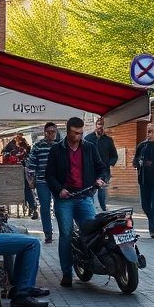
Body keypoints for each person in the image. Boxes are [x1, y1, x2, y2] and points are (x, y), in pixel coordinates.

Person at [45, 116, 106, 287]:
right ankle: (66, 273)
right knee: (66, 234)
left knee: (90, 232)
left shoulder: (89, 148)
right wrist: (59, 190)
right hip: (65, 198)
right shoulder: (57, 149)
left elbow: (100, 168)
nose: (78, 136)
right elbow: (48, 175)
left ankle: (86, 263)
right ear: (68, 130)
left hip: (85, 196)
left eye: (81, 133)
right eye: (75, 133)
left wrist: (100, 179)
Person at [26, 123, 60, 242]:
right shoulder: (38, 146)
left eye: (53, 132)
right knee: (45, 207)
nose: (51, 134)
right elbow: (31, 164)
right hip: (42, 181)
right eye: (49, 132)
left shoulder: (60, 146)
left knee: (59, 206)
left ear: (56, 133)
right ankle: (48, 233)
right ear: (44, 132)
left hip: (57, 182)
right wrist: (32, 178)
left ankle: (63, 230)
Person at [83, 117, 119, 212]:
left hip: (104, 170)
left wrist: (108, 164)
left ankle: (103, 209)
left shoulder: (108, 140)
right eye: (99, 124)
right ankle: (89, 208)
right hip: (91, 170)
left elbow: (114, 155)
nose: (101, 127)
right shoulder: (88, 139)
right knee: (90, 189)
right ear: (96, 125)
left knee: (102, 191)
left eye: (103, 125)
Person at [2, 133, 37, 218]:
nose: (18, 138)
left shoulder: (25, 146)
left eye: (20, 136)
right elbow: (3, 153)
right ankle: (31, 207)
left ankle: (32, 207)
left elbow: (29, 157)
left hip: (23, 171)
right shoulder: (11, 145)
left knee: (26, 189)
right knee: (21, 189)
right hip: (13, 171)